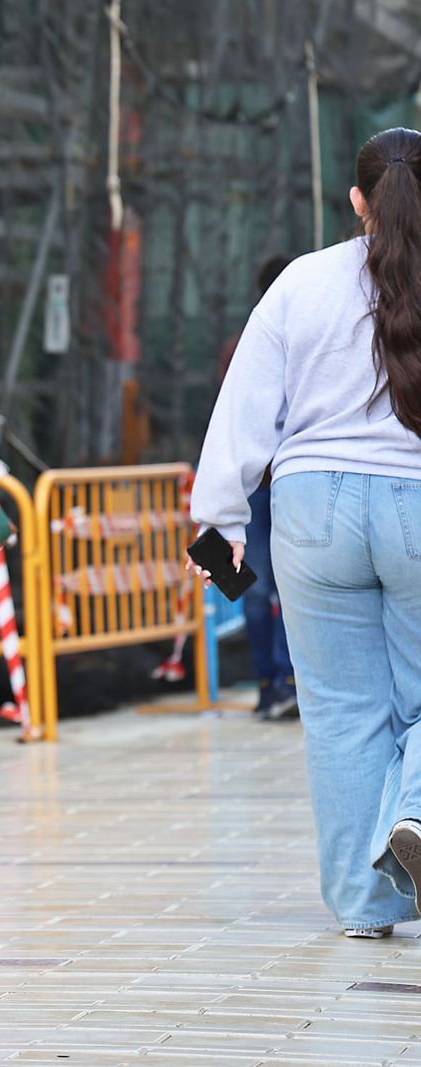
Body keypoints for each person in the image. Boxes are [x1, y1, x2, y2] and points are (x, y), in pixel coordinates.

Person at [191, 127, 421, 941]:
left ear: (357, 200)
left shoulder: (301, 280)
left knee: (341, 710)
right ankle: (418, 813)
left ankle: (366, 904)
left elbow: (244, 405)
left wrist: (219, 520)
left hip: (310, 508)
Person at [218, 254, 298, 721]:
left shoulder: (240, 344)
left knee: (251, 587)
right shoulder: (299, 336)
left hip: (250, 486)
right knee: (288, 587)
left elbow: (232, 421)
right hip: (289, 484)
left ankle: (268, 686)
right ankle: (286, 682)